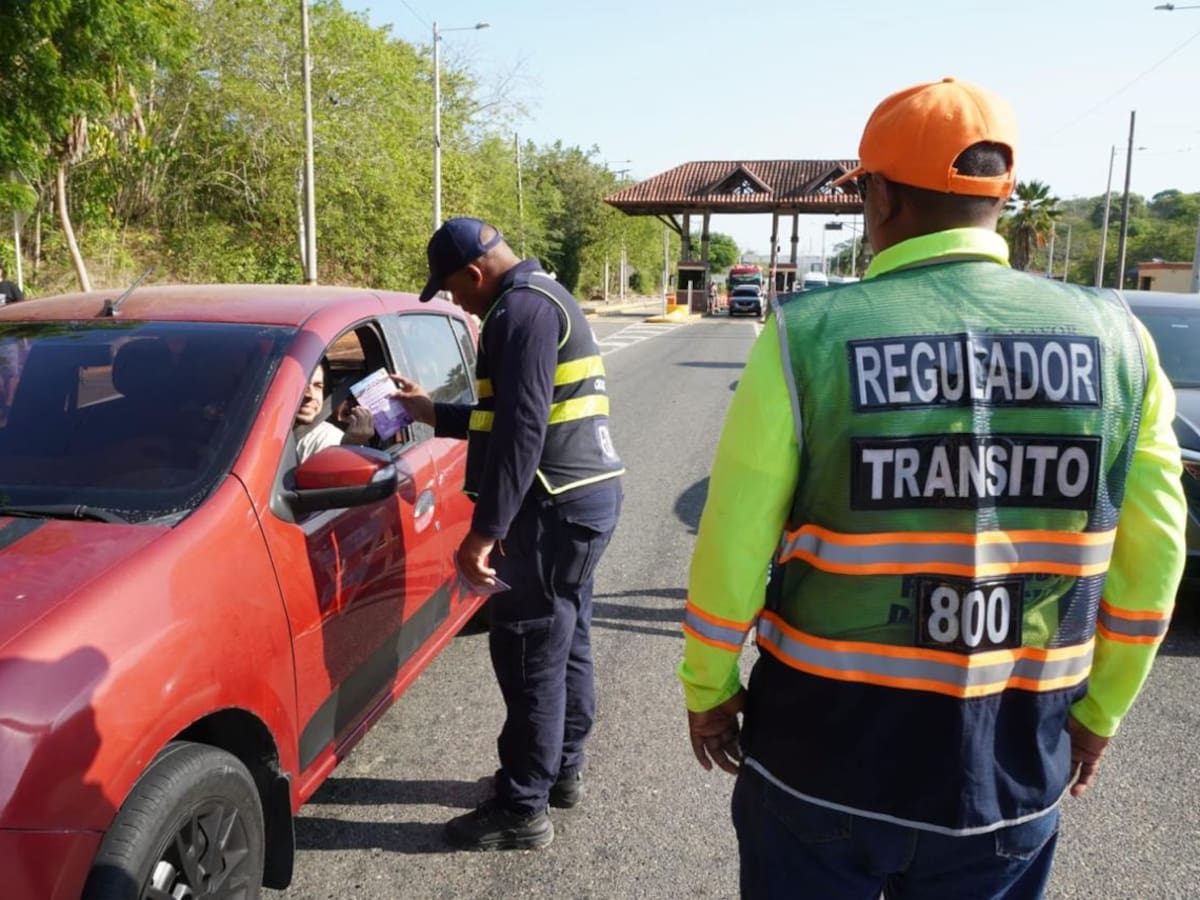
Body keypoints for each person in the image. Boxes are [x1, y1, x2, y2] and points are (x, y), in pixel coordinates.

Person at [678, 77, 1187, 899]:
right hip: (1009, 762)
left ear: (879, 196)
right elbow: (1154, 559)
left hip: (820, 756)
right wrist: (1100, 714)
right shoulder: (1120, 340)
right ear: (1004, 198)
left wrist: (709, 687)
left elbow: (733, 541)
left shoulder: (809, 335)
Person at [392, 216, 623, 851]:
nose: (457, 303)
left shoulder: (517, 312)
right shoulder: (548, 297)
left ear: (475, 272)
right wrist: (431, 412)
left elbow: (522, 430)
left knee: (528, 656)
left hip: (551, 508)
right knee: (564, 641)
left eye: (452, 289)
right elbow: (507, 415)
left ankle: (522, 807)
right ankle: (560, 771)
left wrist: (485, 531)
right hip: (583, 500)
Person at [294, 361, 374, 462]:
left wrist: (348, 447)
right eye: (300, 385)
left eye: (318, 386)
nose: (311, 395)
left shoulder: (328, 439)